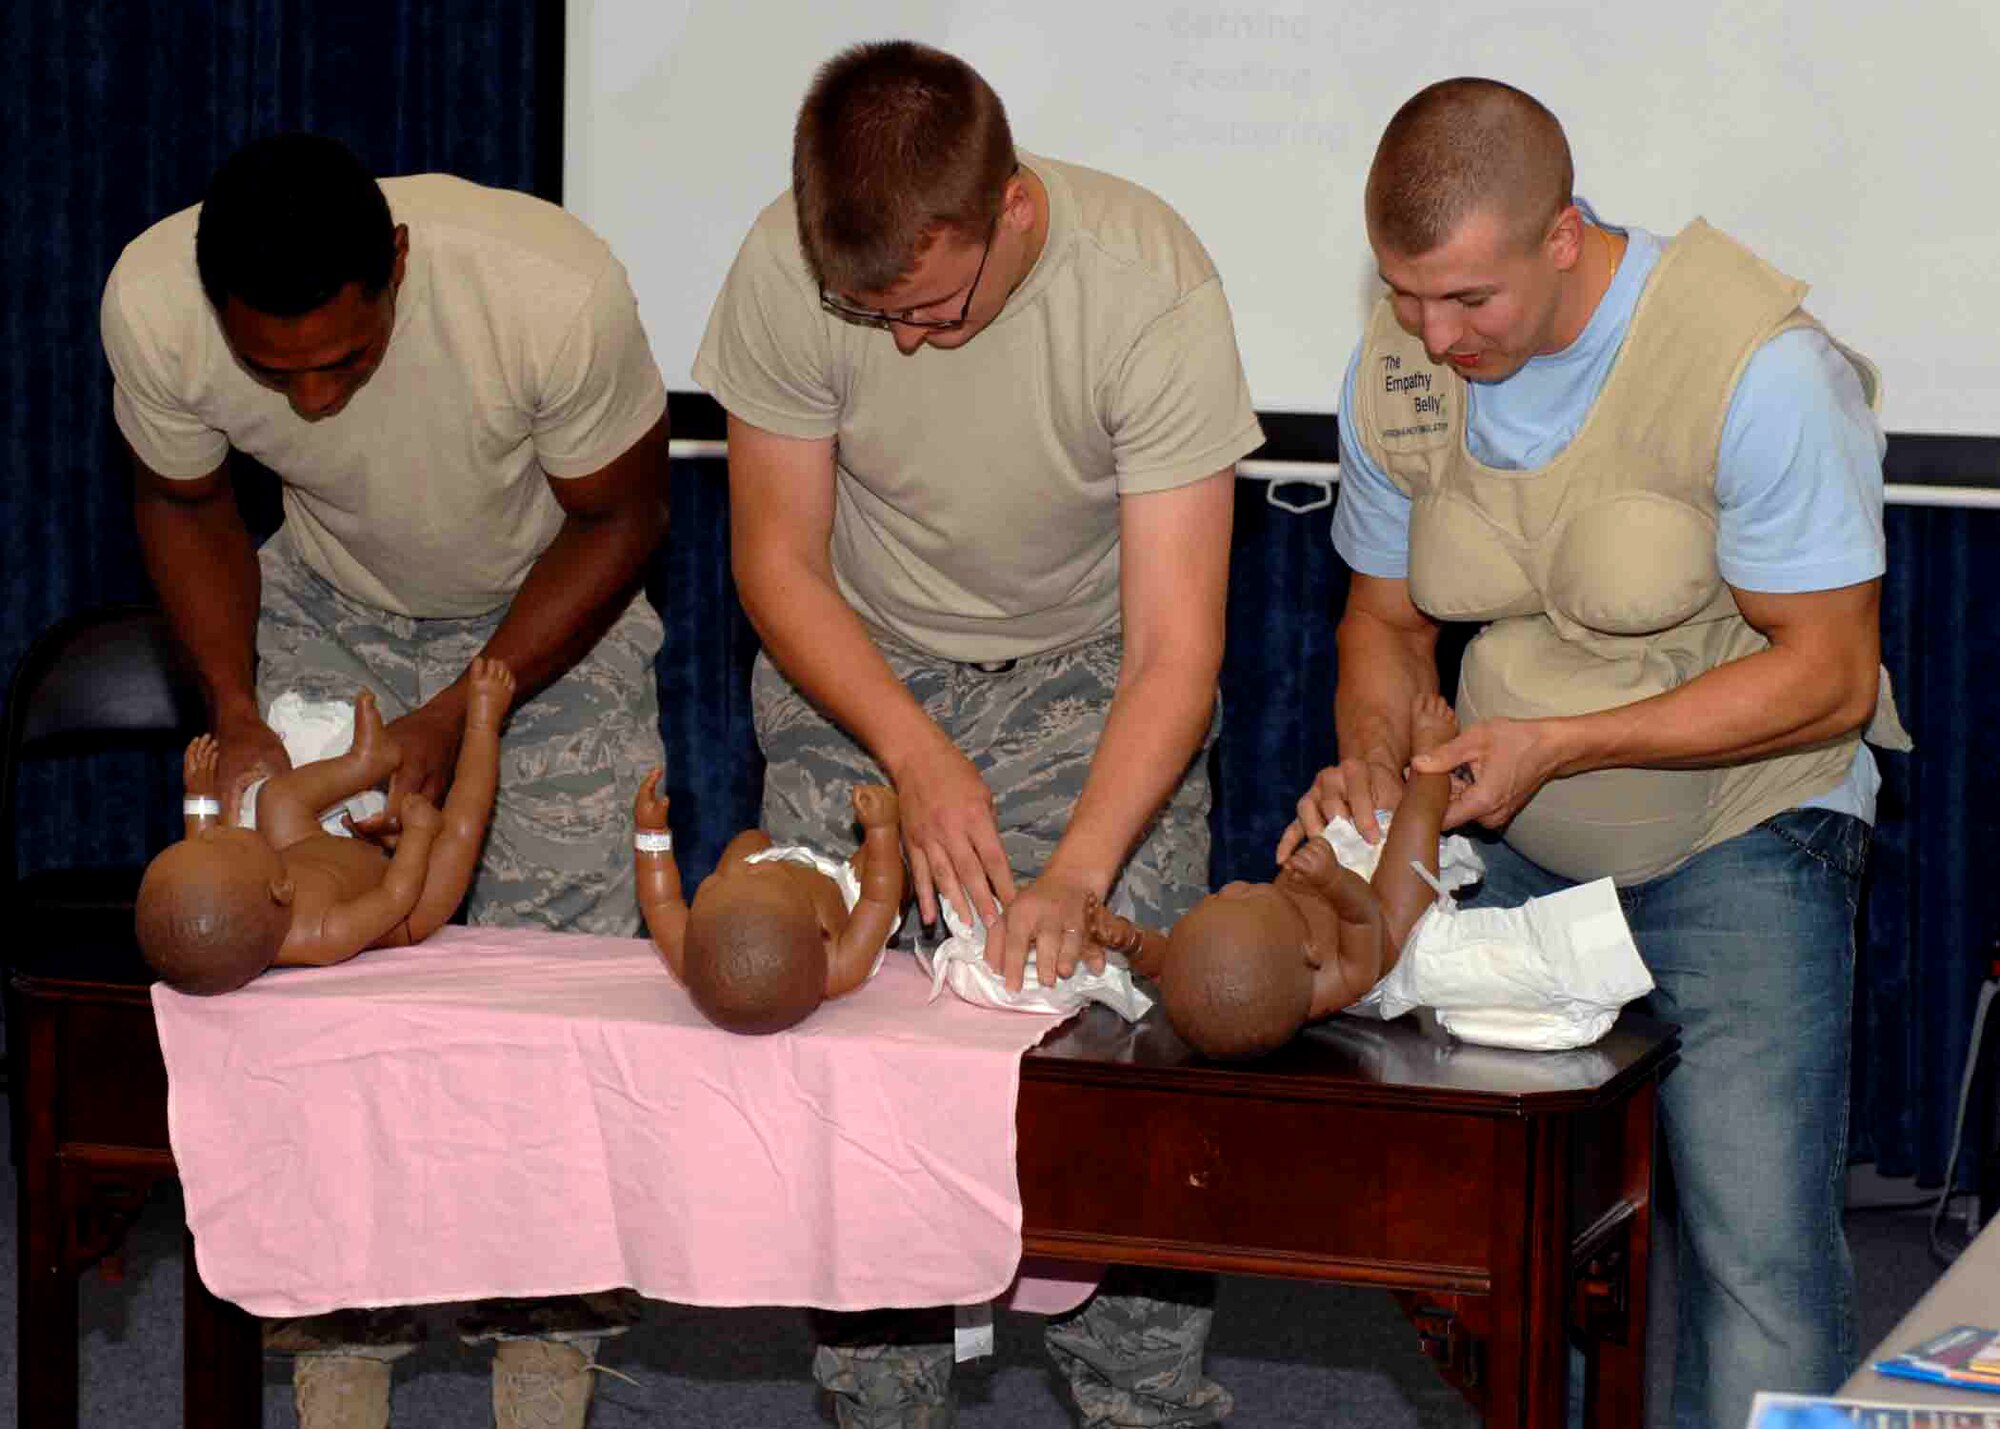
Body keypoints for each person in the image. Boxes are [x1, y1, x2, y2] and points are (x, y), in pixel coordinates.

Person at [1281, 79, 1893, 1429]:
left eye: (1469, 303)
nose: (1435, 337)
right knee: (1458, 1226)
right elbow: (1382, 621)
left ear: (1566, 236)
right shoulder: (1401, 371)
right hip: (1512, 842)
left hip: (1748, 828)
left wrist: (1559, 742)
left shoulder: (1756, 367)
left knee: (1759, 1256)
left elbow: (1832, 676)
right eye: (1405, 297)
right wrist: (1383, 782)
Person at [693, 39, 1263, 1429]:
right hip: (862, 670)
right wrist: (912, 748)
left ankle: (1141, 1396)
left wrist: (1073, 872)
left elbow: (1176, 653)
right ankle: (880, 1398)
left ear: (1010, 210)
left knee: (1115, 1063)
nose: (900, 342)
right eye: (868, 313)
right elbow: (777, 563)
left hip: (1087, 675)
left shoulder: (1148, 285)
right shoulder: (783, 269)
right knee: (856, 1059)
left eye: (934, 311)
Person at [102, 132, 667, 1428]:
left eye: (345, 361)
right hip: (332, 619)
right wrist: (237, 708)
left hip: (545, 628)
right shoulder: (151, 309)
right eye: (272, 370)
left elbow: (624, 516)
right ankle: (334, 1330)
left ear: (398, 266)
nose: (308, 403)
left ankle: (548, 1350)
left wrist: (465, 708)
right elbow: (184, 502)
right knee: (305, 1002)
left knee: (556, 1006)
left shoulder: (546, 297)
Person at [1092, 694, 1456, 1059]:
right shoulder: (1339, 979)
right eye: (1248, 894)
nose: (1232, 885)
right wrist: (1332, 882)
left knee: (1351, 817)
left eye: (1217, 898)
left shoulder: (1239, 964)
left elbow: (1167, 962)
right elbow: (1363, 919)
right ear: (1310, 950)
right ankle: (1434, 758)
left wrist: (1133, 944)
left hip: (1330, 879)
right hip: (1382, 929)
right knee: (1415, 824)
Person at [140, 665, 510, 995]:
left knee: (276, 798)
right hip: (406, 903)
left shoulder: (249, 893)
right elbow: (395, 896)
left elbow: (201, 844)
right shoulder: (322, 935)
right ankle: (483, 725)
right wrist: (419, 836)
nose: (220, 830)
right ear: (281, 888)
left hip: (308, 847)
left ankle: (365, 763)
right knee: (461, 830)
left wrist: (199, 793)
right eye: (229, 842)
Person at [633, 773, 905, 1033]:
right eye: (762, 874)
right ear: (821, 930)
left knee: (747, 841)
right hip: (845, 896)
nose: (746, 870)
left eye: (718, 881)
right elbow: (877, 900)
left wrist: (650, 832)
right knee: (894, 871)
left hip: (779, 888)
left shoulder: (691, 960)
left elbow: (661, 902)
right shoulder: (840, 967)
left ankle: (753, 867)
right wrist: (882, 829)